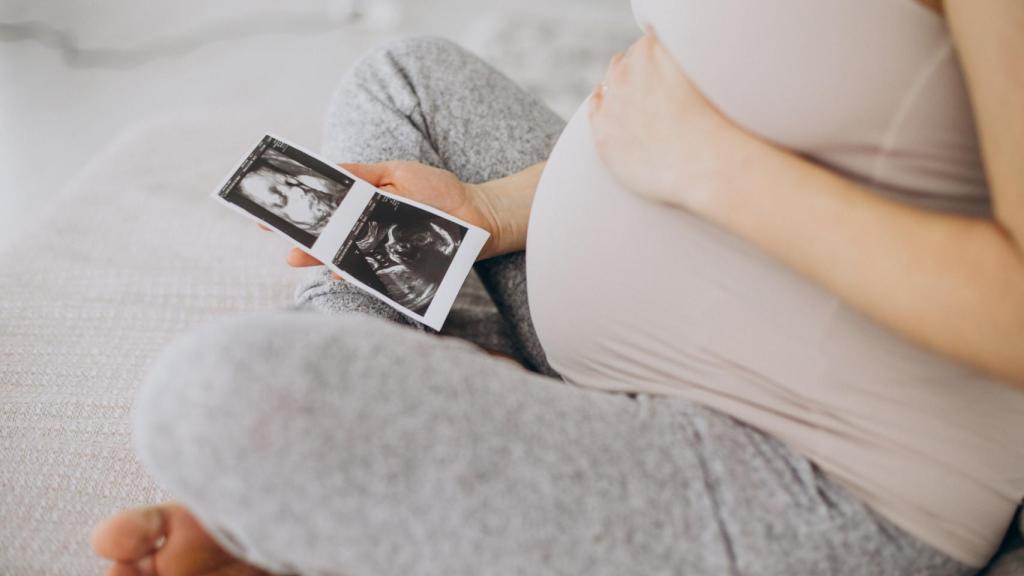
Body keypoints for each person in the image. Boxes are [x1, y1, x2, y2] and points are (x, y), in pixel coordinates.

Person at [91, 0, 1024, 574]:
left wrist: (712, 169)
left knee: (220, 403)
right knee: (409, 79)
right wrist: (488, 210)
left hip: (812, 468)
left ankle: (372, 509)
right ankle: (403, 507)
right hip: (669, 321)